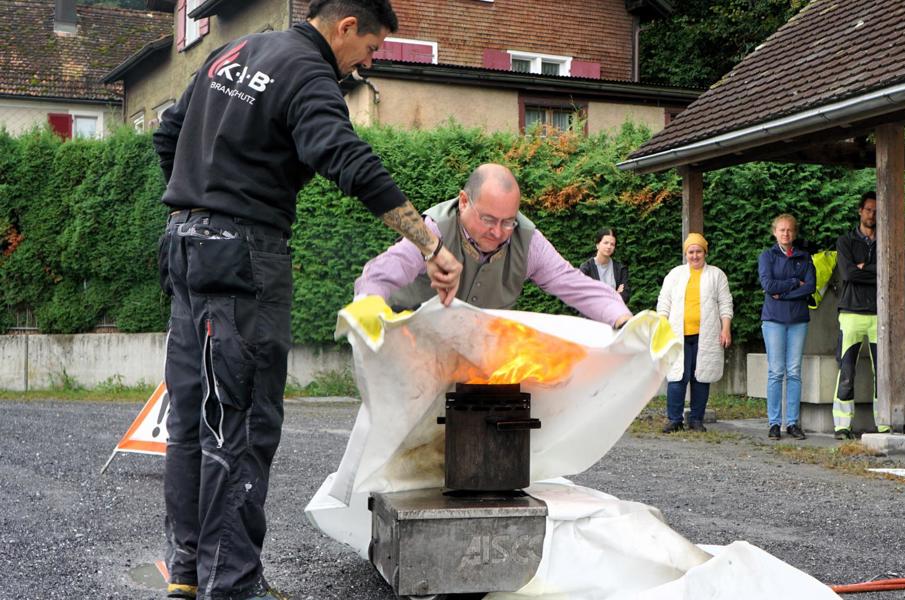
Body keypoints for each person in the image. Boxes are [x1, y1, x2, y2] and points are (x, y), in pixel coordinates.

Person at [152, 2, 463, 598]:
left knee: (192, 420)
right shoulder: (307, 71)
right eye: (370, 51)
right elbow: (345, 157)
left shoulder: (230, 52)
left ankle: (189, 572)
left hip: (185, 247)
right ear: (345, 27)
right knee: (241, 424)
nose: (365, 65)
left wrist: (199, 198)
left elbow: (169, 134)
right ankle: (234, 585)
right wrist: (428, 242)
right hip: (244, 255)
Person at [355, 163, 633, 328]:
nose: (498, 232)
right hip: (413, 341)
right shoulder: (434, 229)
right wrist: (368, 302)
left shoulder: (528, 241)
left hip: (478, 346)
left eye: (508, 221)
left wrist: (623, 318)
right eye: (488, 219)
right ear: (464, 201)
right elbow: (386, 270)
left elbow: (573, 283)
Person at [656, 233, 733, 433]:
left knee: (701, 376)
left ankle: (697, 420)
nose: (695, 255)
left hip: (706, 335)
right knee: (677, 376)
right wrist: (662, 327)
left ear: (704, 252)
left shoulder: (717, 275)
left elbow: (725, 303)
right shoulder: (675, 274)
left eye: (698, 251)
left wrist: (726, 328)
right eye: (691, 252)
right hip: (677, 335)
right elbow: (664, 302)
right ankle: (675, 419)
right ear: (686, 254)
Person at [832, 191, 888, 440]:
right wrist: (872, 271)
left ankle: (885, 423)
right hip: (851, 313)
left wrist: (866, 268)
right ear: (860, 211)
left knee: (883, 372)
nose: (872, 214)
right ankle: (842, 426)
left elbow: (889, 271)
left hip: (880, 313)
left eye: (876, 211)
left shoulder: (885, 240)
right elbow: (849, 274)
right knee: (847, 371)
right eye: (868, 209)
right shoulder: (845, 241)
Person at [758, 214, 815, 441]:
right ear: (775, 232)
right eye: (781, 230)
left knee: (794, 372)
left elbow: (810, 286)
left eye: (789, 230)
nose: (786, 234)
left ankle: (792, 422)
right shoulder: (767, 256)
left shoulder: (804, 257)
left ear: (795, 232)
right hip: (773, 320)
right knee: (776, 372)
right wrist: (793, 282)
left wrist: (782, 293)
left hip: (798, 319)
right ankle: (774, 423)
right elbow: (768, 285)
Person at [579, 228, 631, 303]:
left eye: (612, 244)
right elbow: (584, 296)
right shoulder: (586, 268)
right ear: (597, 245)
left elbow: (625, 296)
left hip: (614, 313)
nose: (609, 246)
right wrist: (615, 294)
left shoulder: (621, 269)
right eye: (606, 243)